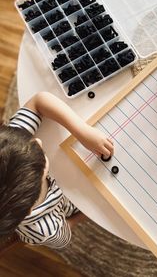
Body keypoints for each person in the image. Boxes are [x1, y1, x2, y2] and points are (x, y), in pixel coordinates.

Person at [0, 91, 114, 248]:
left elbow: (39, 101)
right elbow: (67, 230)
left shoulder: (9, 145)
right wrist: (91, 210)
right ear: (30, 208)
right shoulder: (45, 231)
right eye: (40, 161)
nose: (38, 141)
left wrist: (82, 131)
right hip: (78, 200)